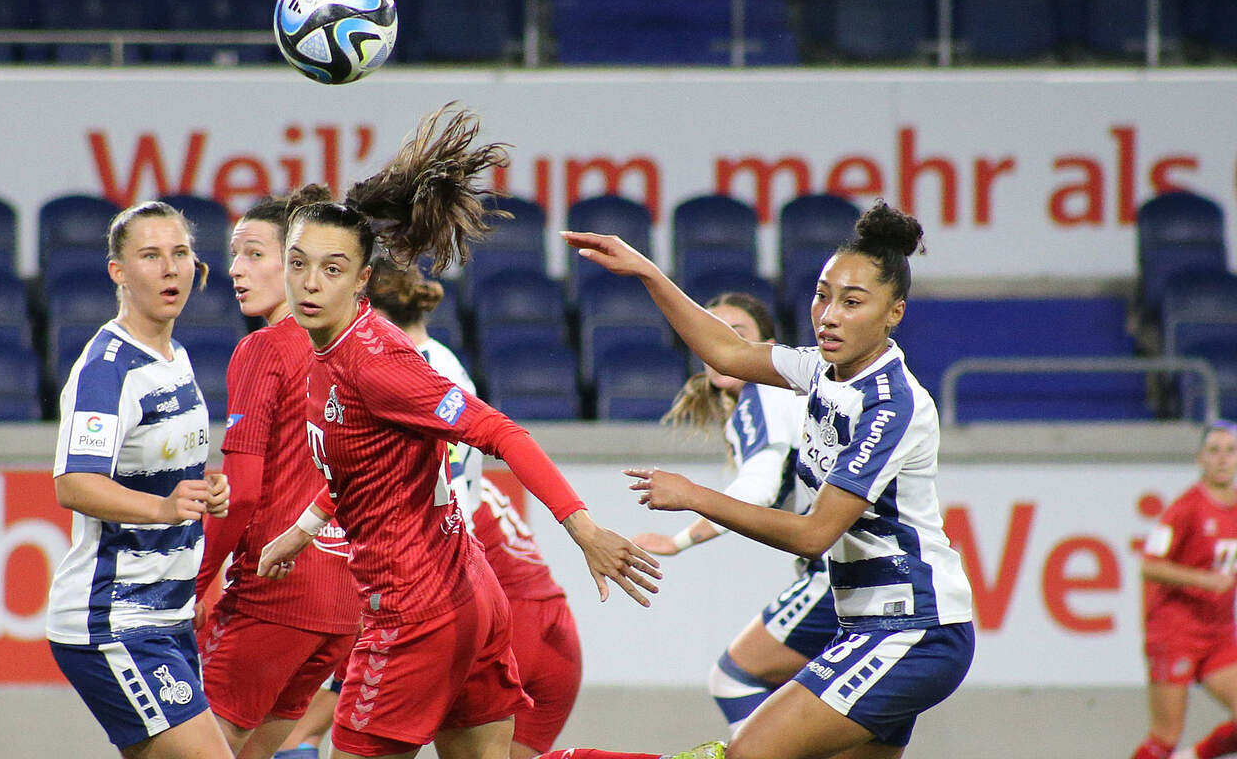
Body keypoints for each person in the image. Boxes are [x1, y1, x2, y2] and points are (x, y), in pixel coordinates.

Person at [255, 103, 661, 759]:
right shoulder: (323, 353)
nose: (308, 282)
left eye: (331, 269)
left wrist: (583, 528)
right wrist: (300, 534)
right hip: (469, 598)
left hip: (414, 613)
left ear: (363, 280)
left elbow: (502, 431)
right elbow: (360, 466)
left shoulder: (377, 362)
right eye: (298, 262)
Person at [551, 200, 974, 759]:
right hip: (867, 623)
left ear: (894, 313)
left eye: (853, 302)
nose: (828, 314)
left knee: (746, 750)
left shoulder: (892, 406)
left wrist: (696, 497)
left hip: (915, 629)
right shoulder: (820, 369)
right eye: (823, 295)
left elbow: (812, 535)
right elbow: (725, 349)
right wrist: (649, 273)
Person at [370, 261, 583, 758]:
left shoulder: (400, 373)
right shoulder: (444, 361)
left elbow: (445, 491)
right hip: (535, 619)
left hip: (469, 599)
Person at [46, 200, 234, 759]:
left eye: (179, 254)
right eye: (150, 256)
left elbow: (166, 476)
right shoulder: (107, 369)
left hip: (168, 614)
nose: (170, 268)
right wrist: (164, 508)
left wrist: (204, 492)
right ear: (118, 273)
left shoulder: (174, 357)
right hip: (114, 619)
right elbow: (74, 484)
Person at [195, 196, 360, 759]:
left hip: (277, 592)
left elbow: (239, 497)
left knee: (192, 749)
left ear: (295, 264)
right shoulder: (356, 347)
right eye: (234, 255)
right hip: (344, 603)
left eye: (254, 253)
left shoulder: (264, 350)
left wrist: (195, 583)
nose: (235, 269)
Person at [634, 292, 831, 738]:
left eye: (736, 334)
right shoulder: (790, 396)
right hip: (869, 571)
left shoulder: (762, 392)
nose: (719, 344)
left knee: (733, 677)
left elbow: (757, 489)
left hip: (836, 575)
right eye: (711, 333)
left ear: (766, 348)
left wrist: (680, 538)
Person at [1134, 421, 1237, 759]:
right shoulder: (1185, 509)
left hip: (1218, 633)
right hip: (1175, 631)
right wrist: (1203, 580)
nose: (1223, 459)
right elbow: (1149, 564)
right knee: (1165, 736)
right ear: (1200, 460)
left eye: (1230, 450)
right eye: (1214, 451)